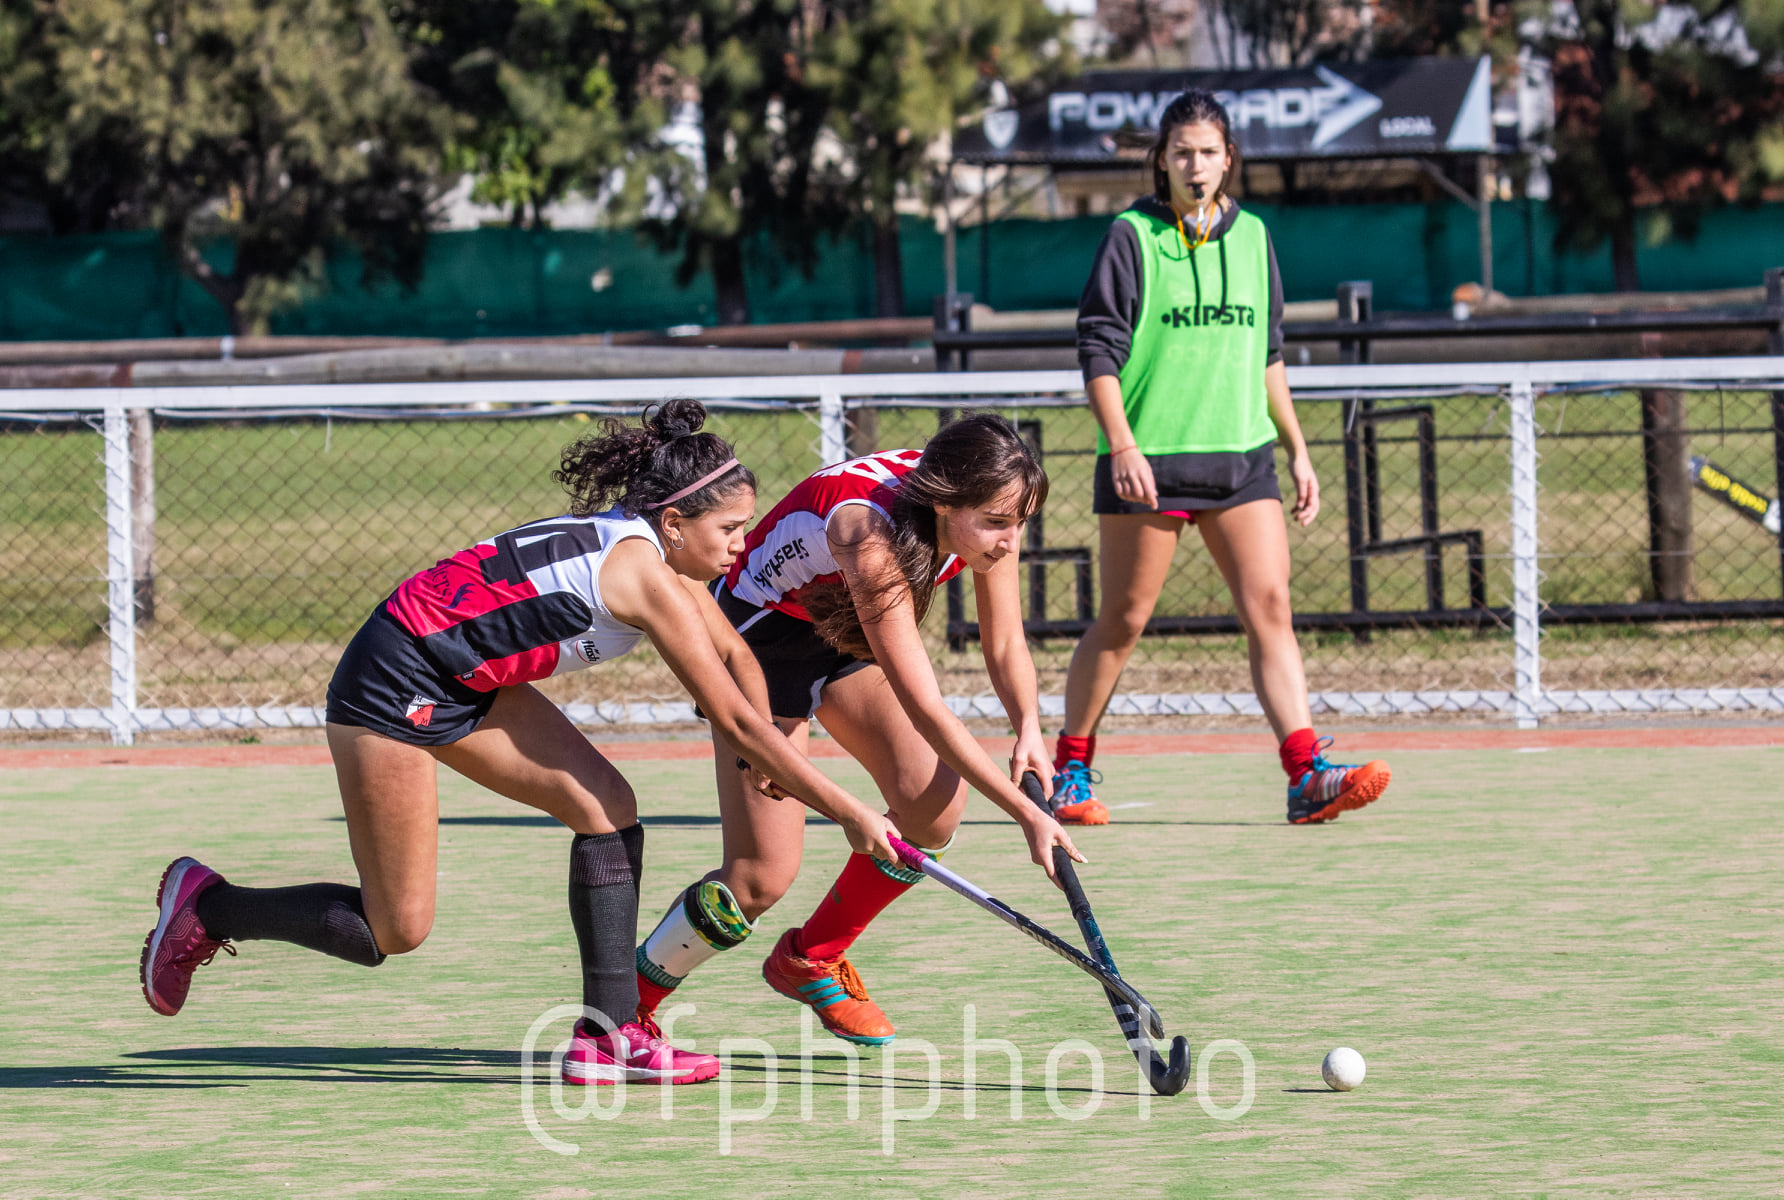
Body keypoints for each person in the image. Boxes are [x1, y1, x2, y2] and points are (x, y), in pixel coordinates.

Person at [137, 399, 903, 1087]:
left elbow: (738, 658)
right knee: (393, 928)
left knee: (606, 806)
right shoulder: (644, 575)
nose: (742, 545)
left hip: (466, 676)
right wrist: (846, 810)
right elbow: (733, 719)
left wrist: (763, 759)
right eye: (729, 530)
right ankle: (211, 907)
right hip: (394, 681)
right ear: (675, 523)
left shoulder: (666, 558)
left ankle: (607, 1038)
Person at [630, 414, 1084, 1045]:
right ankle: (624, 1010)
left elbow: (1004, 640)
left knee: (933, 805)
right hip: (759, 644)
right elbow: (925, 705)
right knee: (761, 877)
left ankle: (811, 956)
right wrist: (1025, 813)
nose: (1011, 541)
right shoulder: (865, 531)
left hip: (840, 629)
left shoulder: (983, 503)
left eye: (1020, 523)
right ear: (947, 502)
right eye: (999, 523)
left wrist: (1029, 727)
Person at [1051, 89, 1390, 828]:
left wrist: (1299, 449)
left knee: (1271, 607)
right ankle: (1068, 769)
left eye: (1208, 152)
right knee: (1124, 619)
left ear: (1228, 158)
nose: (1195, 165)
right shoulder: (1131, 235)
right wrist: (1123, 446)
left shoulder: (1254, 236)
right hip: (1151, 461)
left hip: (1243, 460)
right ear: (1162, 162)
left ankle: (1306, 775)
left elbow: (1266, 356)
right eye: (1181, 153)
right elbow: (1098, 354)